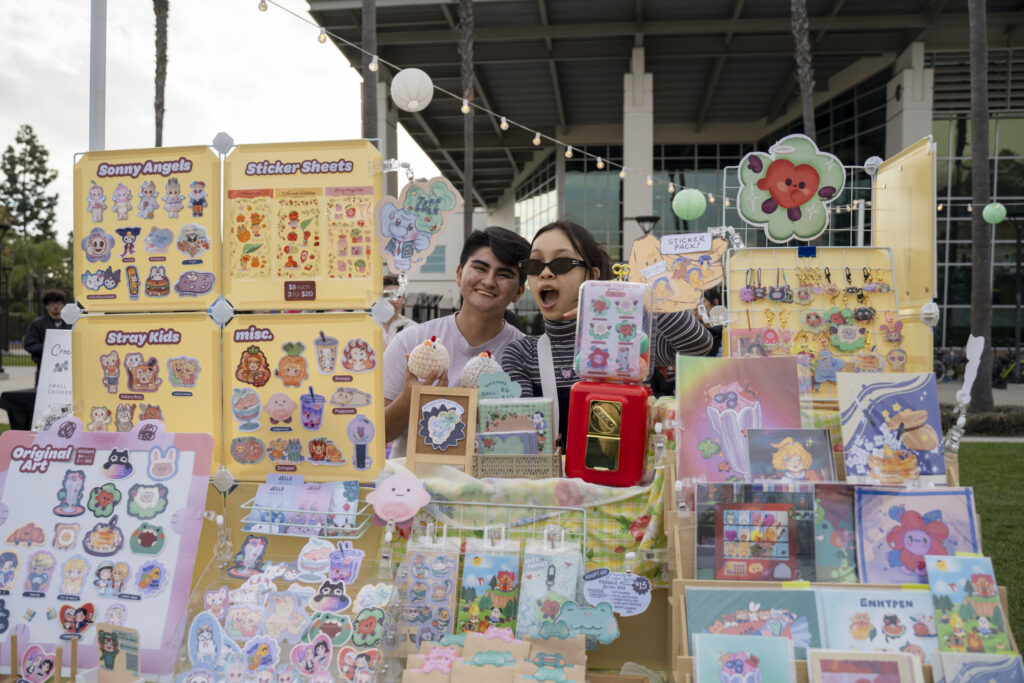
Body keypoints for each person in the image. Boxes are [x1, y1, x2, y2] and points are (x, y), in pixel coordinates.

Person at [502, 220, 713, 447]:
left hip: (629, 469)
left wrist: (640, 292)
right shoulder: (521, 354)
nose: (545, 273)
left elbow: (698, 346)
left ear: (591, 276)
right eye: (535, 265)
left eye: (561, 263)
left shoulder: (629, 339)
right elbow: (523, 442)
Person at [383, 227, 530, 449]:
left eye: (504, 274)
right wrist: (409, 399)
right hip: (414, 472)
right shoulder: (411, 342)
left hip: (494, 472)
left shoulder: (527, 355)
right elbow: (376, 431)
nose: (489, 281)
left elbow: (535, 436)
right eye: (480, 268)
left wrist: (485, 413)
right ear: (459, 274)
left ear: (519, 291)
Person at [24, 289, 68, 386]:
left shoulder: (71, 323)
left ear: (63, 305)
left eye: (59, 303)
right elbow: (29, 345)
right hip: (44, 369)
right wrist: (50, 347)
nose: (56, 306)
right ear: (46, 306)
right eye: (52, 303)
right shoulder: (36, 324)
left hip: (68, 370)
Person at [380, 274, 417, 346]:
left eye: (399, 296)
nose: (394, 301)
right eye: (389, 296)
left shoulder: (410, 327)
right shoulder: (368, 324)